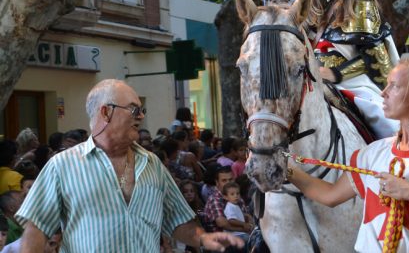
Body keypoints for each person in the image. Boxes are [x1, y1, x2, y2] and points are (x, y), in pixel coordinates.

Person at [15, 79, 242, 252]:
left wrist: (202, 238)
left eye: (142, 109)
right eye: (134, 109)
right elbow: (36, 230)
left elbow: (176, 220)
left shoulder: (152, 163)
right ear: (106, 112)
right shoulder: (61, 166)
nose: (141, 116)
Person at [287, 58, 409, 252]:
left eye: (394, 86)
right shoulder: (372, 153)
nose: (383, 93)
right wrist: (286, 171)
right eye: (386, 85)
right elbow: (330, 195)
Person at [258, 0, 399, 139]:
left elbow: (374, 59)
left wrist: (335, 74)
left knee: (386, 122)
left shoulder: (361, 2)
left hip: (350, 81)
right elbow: (288, 26)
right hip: (308, 76)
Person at [201, 166, 253, 236]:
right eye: (224, 180)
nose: (228, 183)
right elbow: (223, 224)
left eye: (230, 179)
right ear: (217, 183)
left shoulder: (237, 197)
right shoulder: (215, 199)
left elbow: (246, 217)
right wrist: (244, 229)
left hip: (240, 235)